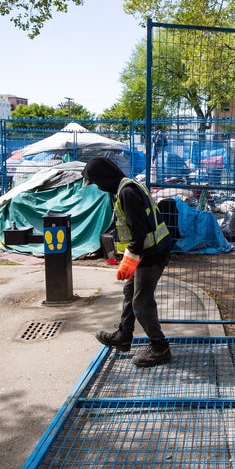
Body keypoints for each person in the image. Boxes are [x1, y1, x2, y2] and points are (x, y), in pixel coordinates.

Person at [83, 156, 175, 368]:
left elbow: (139, 232)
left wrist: (129, 261)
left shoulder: (127, 192)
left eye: (98, 182)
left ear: (105, 178)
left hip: (151, 255)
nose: (98, 187)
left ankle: (160, 347)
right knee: (129, 292)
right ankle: (124, 336)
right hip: (149, 252)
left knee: (141, 303)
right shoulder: (126, 187)